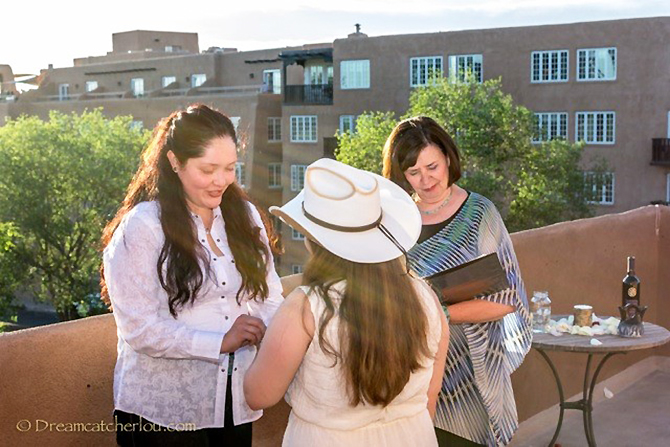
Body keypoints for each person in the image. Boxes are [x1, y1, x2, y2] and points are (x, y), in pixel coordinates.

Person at [100, 104, 283, 446]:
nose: (221, 180)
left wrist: (266, 329)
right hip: (162, 415)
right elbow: (138, 328)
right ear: (174, 162)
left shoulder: (244, 216)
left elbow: (270, 296)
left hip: (235, 403)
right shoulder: (143, 226)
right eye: (208, 169)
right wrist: (220, 342)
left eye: (229, 168)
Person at [244, 158, 449, 447]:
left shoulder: (305, 308)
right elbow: (432, 392)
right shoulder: (425, 296)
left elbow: (258, 395)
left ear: (312, 239)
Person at [382, 116, 532, 447]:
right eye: (413, 172)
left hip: (473, 377)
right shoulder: (396, 221)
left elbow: (508, 300)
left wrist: (440, 316)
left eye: (432, 166)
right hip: (412, 376)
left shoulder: (481, 215)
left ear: (448, 157)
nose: (425, 179)